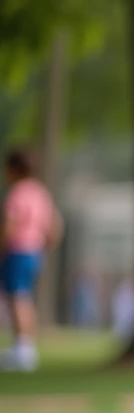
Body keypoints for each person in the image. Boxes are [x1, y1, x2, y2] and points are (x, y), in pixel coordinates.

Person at [1, 150, 61, 372]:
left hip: (17, 249)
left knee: (17, 298)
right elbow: (54, 226)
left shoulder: (17, 193)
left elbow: (10, 226)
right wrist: (44, 247)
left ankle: (23, 351)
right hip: (34, 251)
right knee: (24, 297)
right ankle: (25, 347)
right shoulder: (40, 192)